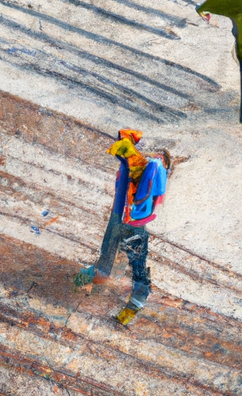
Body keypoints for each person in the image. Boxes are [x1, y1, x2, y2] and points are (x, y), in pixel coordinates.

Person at [72, 129, 170, 327]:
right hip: (126, 218)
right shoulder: (135, 164)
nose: (152, 156)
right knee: (127, 260)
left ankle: (133, 304)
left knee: (134, 262)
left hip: (129, 220)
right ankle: (91, 281)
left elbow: (151, 193)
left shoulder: (151, 167)